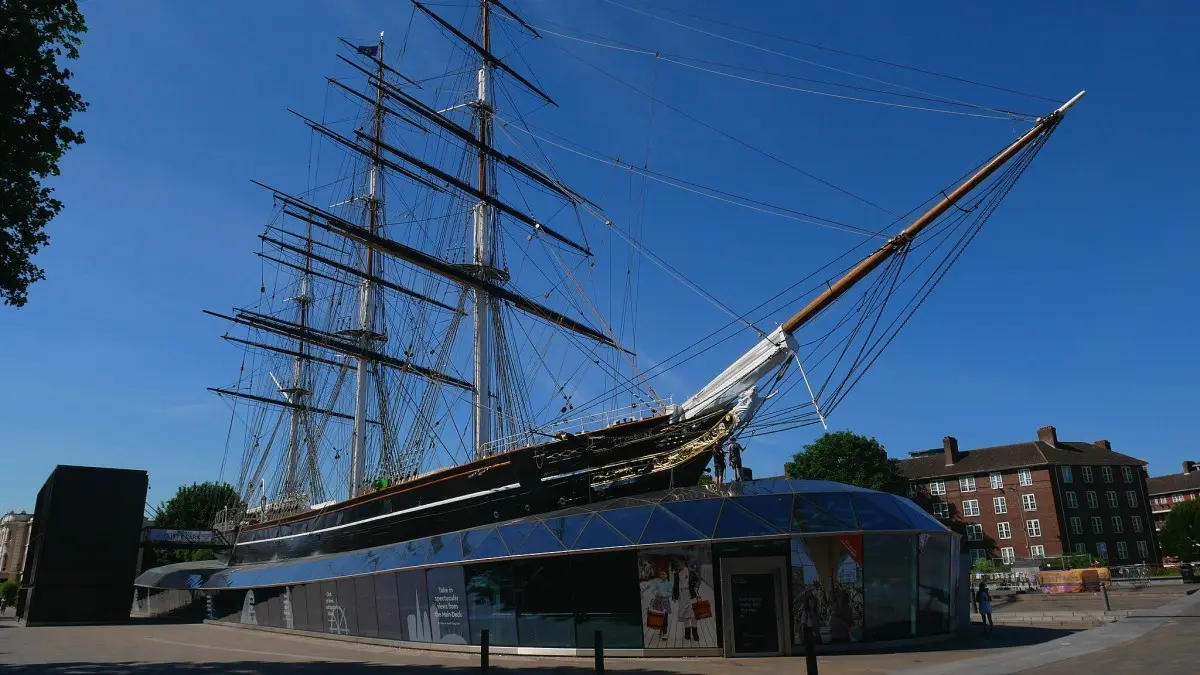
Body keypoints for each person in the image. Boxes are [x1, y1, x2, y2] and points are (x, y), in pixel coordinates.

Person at [673, 561, 701, 642]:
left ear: (684, 563)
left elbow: (698, 580)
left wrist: (696, 587)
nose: (678, 565)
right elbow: (675, 584)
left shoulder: (691, 571)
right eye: (677, 564)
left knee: (693, 614)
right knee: (684, 614)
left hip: (690, 594)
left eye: (679, 563)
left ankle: (695, 634)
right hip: (681, 595)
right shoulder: (676, 573)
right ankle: (687, 634)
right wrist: (674, 595)